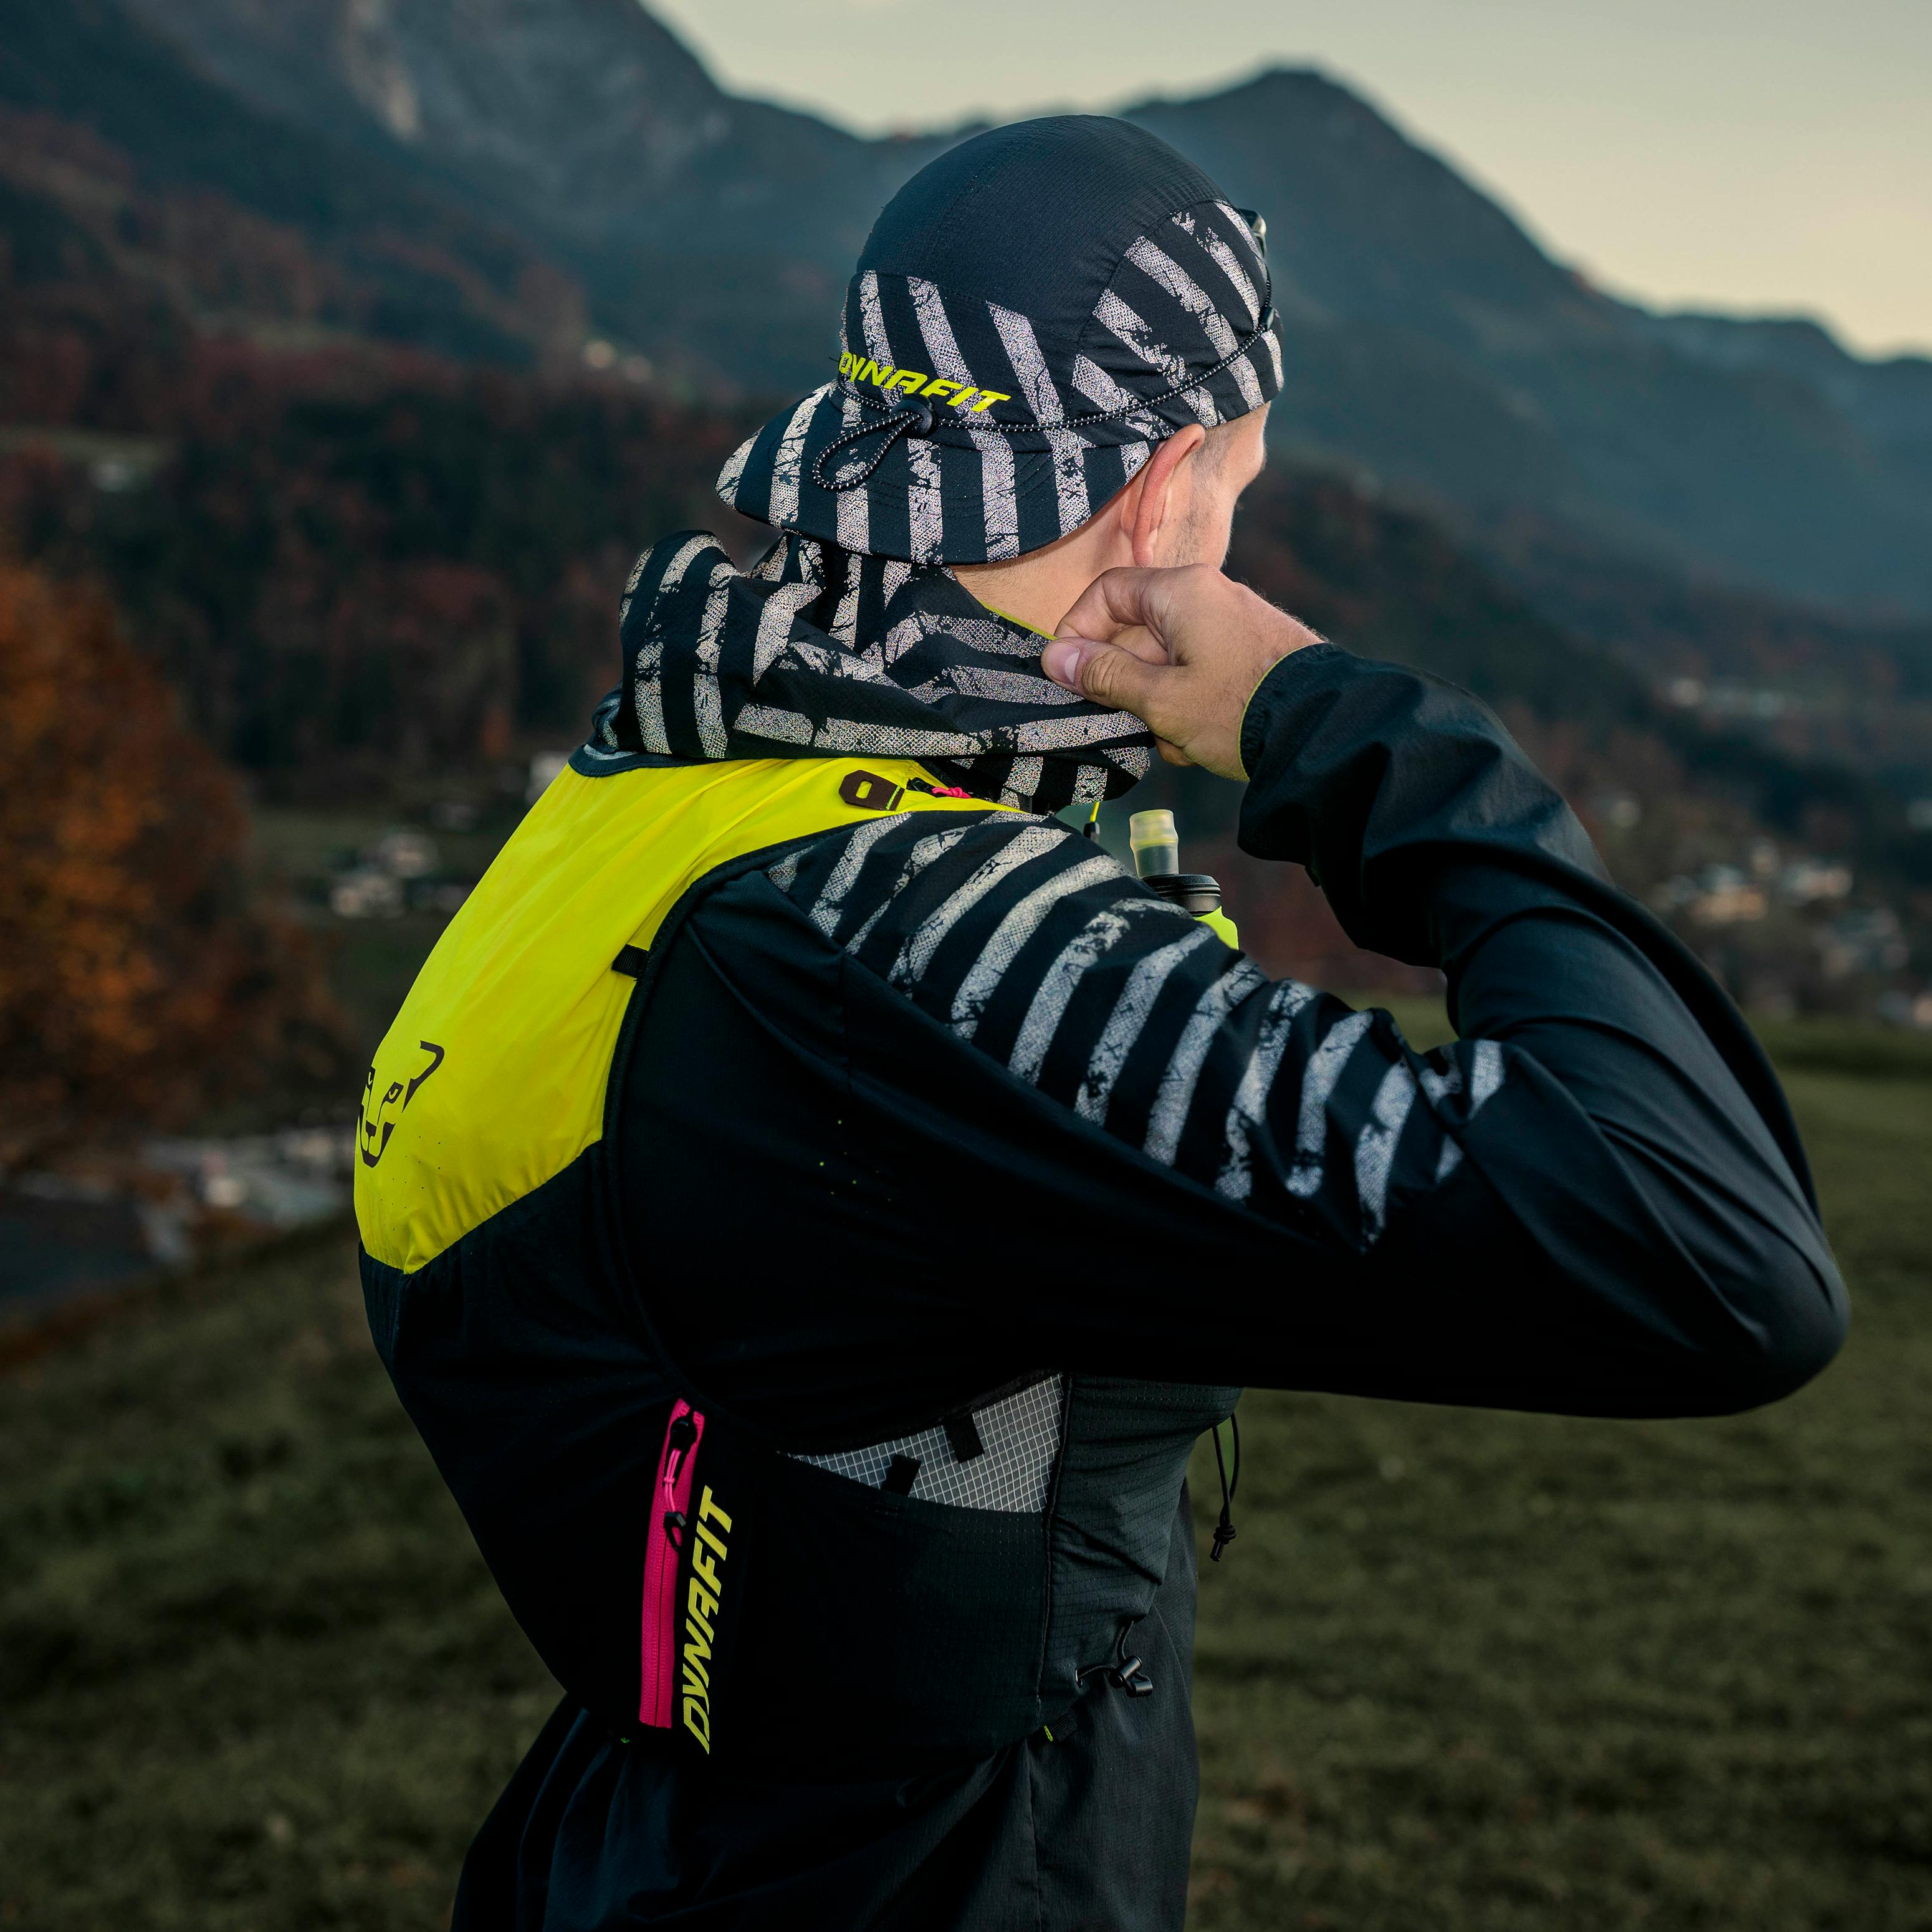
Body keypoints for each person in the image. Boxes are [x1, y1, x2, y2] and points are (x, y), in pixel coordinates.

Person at [353, 116, 1846, 1931]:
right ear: (1159, 490)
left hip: (641, 1838)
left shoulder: (679, 759)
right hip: (937, 1878)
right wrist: (1354, 733)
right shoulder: (935, 939)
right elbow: (1707, 1249)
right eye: (1240, 477)